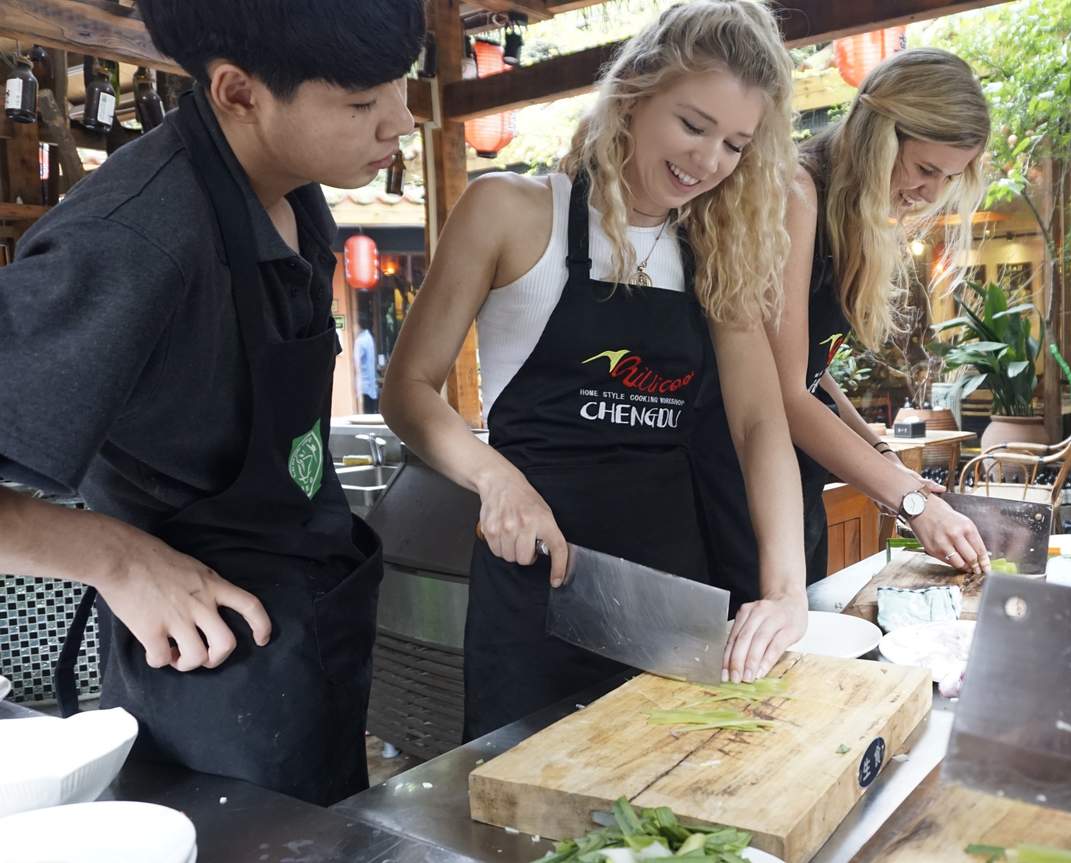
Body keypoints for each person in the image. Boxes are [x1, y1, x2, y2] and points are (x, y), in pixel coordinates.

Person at [0, 0, 423, 804]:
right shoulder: (130, 239)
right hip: (203, 672)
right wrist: (114, 557)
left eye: (400, 86)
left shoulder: (295, 190)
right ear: (238, 92)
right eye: (362, 102)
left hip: (305, 628)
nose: (399, 120)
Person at [382, 0, 808, 740]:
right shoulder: (508, 211)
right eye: (692, 124)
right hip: (536, 583)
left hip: (672, 592)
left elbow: (759, 421)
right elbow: (407, 390)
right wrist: (495, 479)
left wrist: (785, 591)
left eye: (736, 144)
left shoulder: (715, 249)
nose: (708, 161)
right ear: (635, 93)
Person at [691, 48, 993, 610]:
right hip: (733, 472)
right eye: (925, 168)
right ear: (880, 132)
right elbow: (780, 394)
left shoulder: (849, 212)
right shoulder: (797, 193)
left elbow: (810, 372)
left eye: (948, 177)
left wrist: (883, 455)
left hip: (792, 476)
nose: (930, 193)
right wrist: (910, 501)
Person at [355, 307, 379, 413]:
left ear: (359, 325)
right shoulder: (370, 338)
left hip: (364, 384)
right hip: (371, 383)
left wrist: (357, 386)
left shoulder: (360, 341)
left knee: (365, 413)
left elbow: (357, 365)